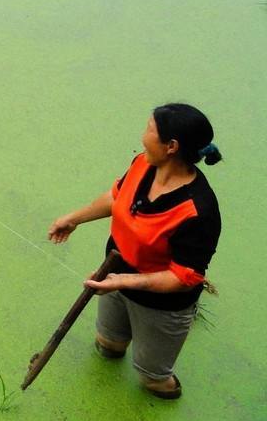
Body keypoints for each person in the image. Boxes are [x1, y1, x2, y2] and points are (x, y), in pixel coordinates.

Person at [47, 104, 222, 400]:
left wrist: (122, 282)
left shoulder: (197, 211)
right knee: (108, 344)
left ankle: (164, 386)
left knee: (151, 377)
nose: (142, 137)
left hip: (161, 303)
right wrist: (74, 218)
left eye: (149, 130)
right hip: (114, 275)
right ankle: (117, 346)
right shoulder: (143, 164)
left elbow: (183, 277)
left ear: (171, 146)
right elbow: (117, 197)